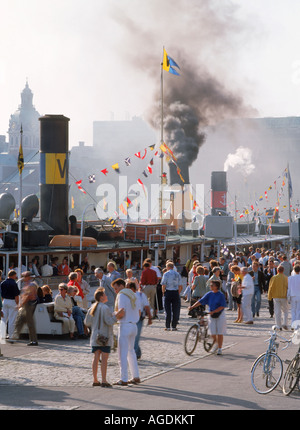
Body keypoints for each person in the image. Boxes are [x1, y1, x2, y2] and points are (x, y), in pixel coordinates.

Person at [84, 287, 124, 387]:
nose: (106, 296)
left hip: (95, 336)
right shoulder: (105, 308)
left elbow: (86, 322)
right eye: (105, 295)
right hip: (104, 336)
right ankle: (104, 380)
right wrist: (117, 315)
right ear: (101, 297)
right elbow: (109, 321)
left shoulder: (92, 307)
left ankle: (95, 379)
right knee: (104, 359)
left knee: (96, 357)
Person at [111, 278, 140, 386]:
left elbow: (122, 311)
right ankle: (135, 376)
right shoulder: (134, 295)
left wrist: (113, 315)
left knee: (122, 354)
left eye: (116, 288)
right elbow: (139, 310)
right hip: (134, 324)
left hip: (125, 325)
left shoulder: (122, 295)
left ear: (121, 286)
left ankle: (123, 378)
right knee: (131, 351)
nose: (115, 291)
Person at [188, 280, 227, 355]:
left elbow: (222, 306)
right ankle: (215, 343)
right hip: (211, 314)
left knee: (219, 332)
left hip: (220, 314)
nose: (210, 286)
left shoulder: (221, 295)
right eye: (210, 285)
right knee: (212, 332)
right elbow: (201, 301)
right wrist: (192, 307)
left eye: (212, 285)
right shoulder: (209, 294)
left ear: (216, 287)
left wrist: (214, 311)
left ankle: (219, 348)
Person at [11, 281, 38, 346]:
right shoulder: (27, 285)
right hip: (26, 306)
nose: (24, 277)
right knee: (20, 321)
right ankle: (15, 336)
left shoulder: (31, 285)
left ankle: (33, 340)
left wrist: (20, 305)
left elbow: (28, 296)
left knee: (29, 323)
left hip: (28, 306)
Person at [130, 281, 152, 360]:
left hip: (139, 318)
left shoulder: (141, 295)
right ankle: (137, 352)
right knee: (133, 336)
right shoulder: (126, 296)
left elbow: (147, 307)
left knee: (136, 336)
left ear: (132, 288)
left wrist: (150, 318)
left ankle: (134, 354)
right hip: (130, 319)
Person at [161, 261, 182, 331]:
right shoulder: (177, 274)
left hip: (168, 292)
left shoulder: (166, 274)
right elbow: (180, 286)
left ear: (167, 267)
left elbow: (163, 284)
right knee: (175, 309)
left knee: (167, 309)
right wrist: (178, 292)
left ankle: (167, 326)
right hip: (175, 292)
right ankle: (174, 326)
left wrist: (163, 292)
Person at [0, 270, 20, 340]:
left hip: (4, 301)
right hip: (12, 301)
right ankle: (11, 335)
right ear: (13, 275)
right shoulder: (14, 283)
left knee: (3, 319)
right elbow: (16, 295)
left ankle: (2, 334)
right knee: (12, 319)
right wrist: (17, 304)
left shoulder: (3, 283)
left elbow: (1, 295)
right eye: (15, 275)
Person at [268, 265, 289, 330]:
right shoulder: (286, 278)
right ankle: (285, 323)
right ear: (283, 270)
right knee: (285, 311)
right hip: (284, 296)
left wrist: (269, 296)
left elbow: (270, 287)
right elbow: (288, 287)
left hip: (275, 296)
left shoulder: (274, 278)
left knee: (277, 311)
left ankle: (278, 325)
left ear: (277, 270)